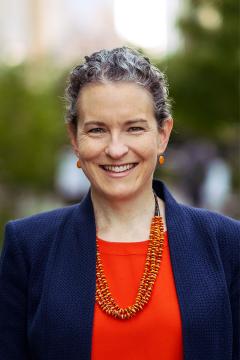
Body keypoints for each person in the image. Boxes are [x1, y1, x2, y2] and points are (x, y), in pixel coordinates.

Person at [0, 47, 239, 360]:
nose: (115, 149)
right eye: (97, 129)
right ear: (74, 138)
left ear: (162, 135)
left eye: (134, 128)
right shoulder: (29, 246)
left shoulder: (226, 243)